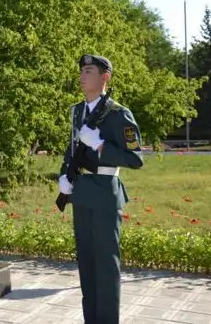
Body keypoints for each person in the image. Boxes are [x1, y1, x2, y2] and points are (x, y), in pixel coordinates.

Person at [57, 54, 144, 324]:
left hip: (105, 193)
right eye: (82, 71)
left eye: (89, 71)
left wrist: (100, 145)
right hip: (81, 193)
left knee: (106, 265)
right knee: (86, 262)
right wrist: (64, 174)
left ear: (105, 77)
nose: (83, 76)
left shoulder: (118, 114)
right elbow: (73, 149)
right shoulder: (77, 111)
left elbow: (135, 158)